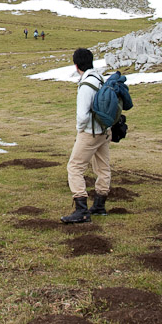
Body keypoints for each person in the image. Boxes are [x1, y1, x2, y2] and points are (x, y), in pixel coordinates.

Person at [61, 48, 111, 224]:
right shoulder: (99, 78)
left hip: (90, 133)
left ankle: (81, 209)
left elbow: (82, 116)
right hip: (105, 131)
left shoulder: (85, 85)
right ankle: (99, 204)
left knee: (74, 167)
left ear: (76, 66)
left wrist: (79, 131)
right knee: (103, 167)